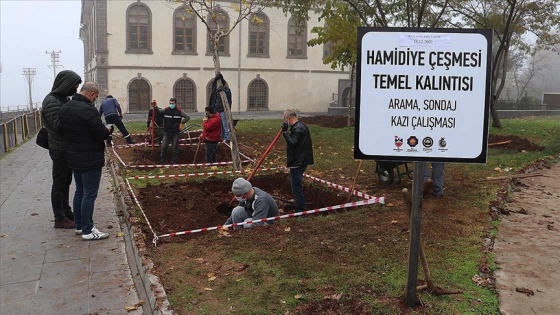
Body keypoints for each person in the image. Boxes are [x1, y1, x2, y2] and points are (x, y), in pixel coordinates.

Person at [58, 82, 112, 240]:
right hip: (90, 158)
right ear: (93, 95)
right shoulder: (88, 110)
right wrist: (108, 130)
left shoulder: (66, 107)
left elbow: (62, 129)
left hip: (73, 157)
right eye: (95, 97)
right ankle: (88, 231)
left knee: (80, 191)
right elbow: (100, 133)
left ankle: (80, 226)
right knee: (89, 194)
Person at [41, 70, 82, 229]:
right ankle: (59, 217)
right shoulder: (51, 101)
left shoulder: (63, 99)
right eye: (75, 84)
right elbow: (58, 125)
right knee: (59, 183)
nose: (76, 88)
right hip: (59, 148)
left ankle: (66, 211)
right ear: (66, 84)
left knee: (66, 181)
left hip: (67, 147)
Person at [281, 109, 314, 213]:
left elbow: (293, 143)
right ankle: (299, 202)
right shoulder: (300, 125)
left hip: (297, 162)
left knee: (296, 186)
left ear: (288, 118)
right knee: (296, 185)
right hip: (301, 160)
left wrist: (285, 132)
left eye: (284, 118)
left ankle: (300, 209)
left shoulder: (298, 129)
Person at [160, 97, 190, 164]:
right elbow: (158, 112)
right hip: (167, 132)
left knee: (175, 147)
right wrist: (155, 107)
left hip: (175, 132)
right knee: (164, 146)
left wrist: (181, 123)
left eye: (172, 103)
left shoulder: (179, 111)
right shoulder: (166, 110)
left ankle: (174, 160)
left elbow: (187, 117)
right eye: (170, 103)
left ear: (175, 104)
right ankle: (163, 160)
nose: (171, 105)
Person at [209, 72, 232, 143]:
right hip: (217, 110)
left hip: (223, 110)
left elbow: (228, 99)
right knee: (220, 124)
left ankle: (227, 137)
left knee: (225, 124)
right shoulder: (216, 91)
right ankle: (222, 136)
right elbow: (213, 98)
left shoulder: (226, 90)